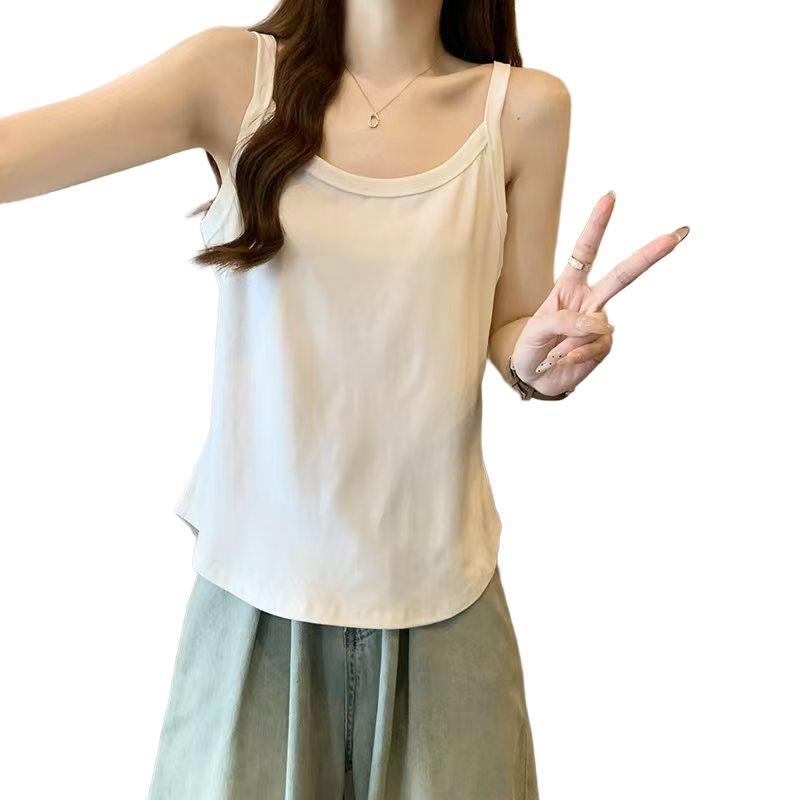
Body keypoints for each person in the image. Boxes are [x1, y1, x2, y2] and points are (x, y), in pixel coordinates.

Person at [0, 1, 688, 798]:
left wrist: (537, 361)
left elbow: (511, 324)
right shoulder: (231, 77)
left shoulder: (525, 109)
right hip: (255, 598)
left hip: (445, 598)